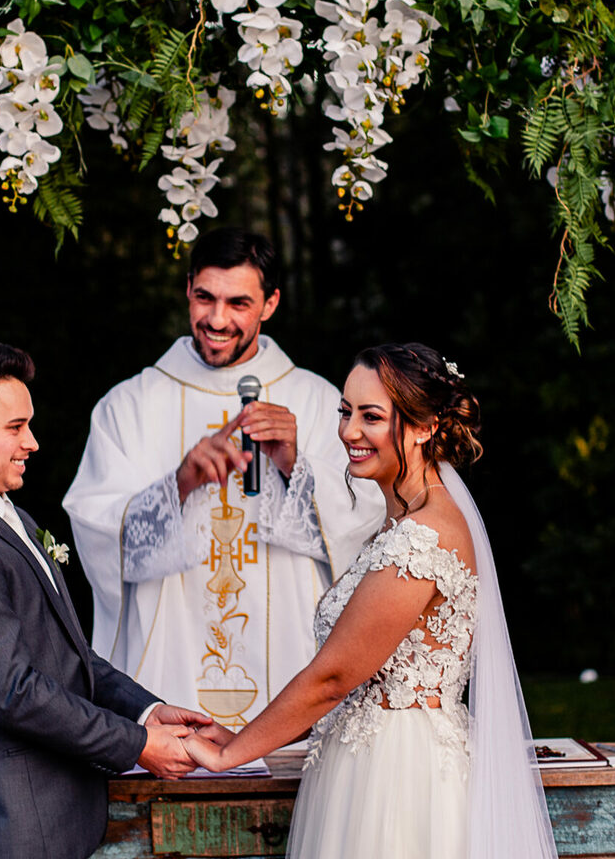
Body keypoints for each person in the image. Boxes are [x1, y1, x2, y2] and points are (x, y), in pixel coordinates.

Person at [181, 343, 560, 859]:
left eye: (372, 417)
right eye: (345, 411)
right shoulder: (399, 523)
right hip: (367, 762)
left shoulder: (421, 537)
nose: (349, 431)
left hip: (399, 782)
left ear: (426, 426)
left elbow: (334, 677)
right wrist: (242, 741)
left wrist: (230, 754)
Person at [0, 343, 219, 859]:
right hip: (11, 827)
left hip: (51, 818)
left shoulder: (10, 517)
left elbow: (70, 654)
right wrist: (137, 747)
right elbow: (13, 693)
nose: (32, 442)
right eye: (15, 427)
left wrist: (147, 712)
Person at [63, 228, 384, 726]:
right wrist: (178, 485)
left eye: (238, 303)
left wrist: (296, 466)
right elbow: (98, 530)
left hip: (290, 657)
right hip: (170, 661)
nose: (216, 319)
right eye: (205, 298)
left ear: (270, 303)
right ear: (187, 288)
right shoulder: (129, 405)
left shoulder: (319, 401)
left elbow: (366, 521)